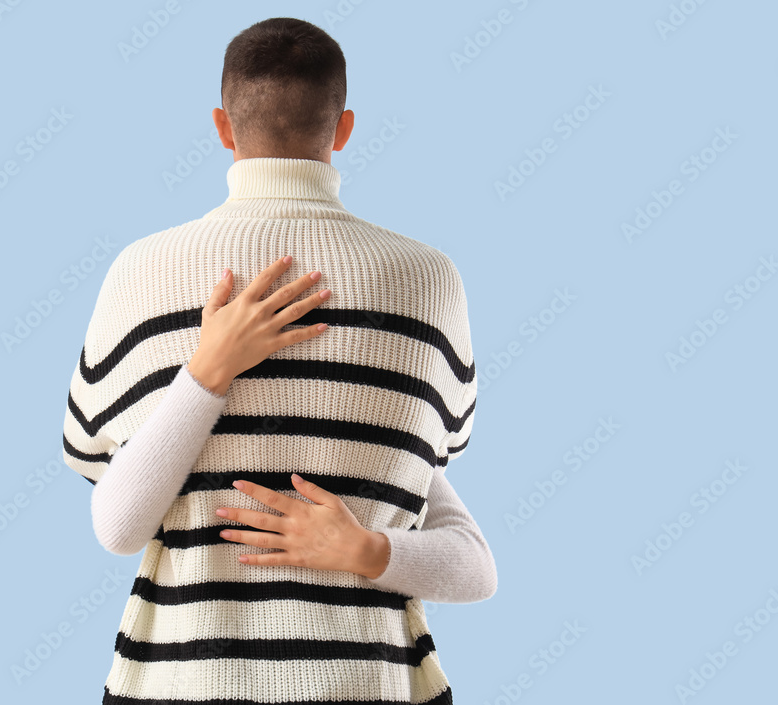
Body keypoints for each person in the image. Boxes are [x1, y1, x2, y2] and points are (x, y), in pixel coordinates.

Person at [61, 16, 496, 704]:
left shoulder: (139, 274)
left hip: (179, 684)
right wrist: (367, 547)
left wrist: (208, 374)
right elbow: (435, 468)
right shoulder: (429, 280)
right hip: (369, 684)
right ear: (343, 128)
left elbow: (115, 522)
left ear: (222, 127)